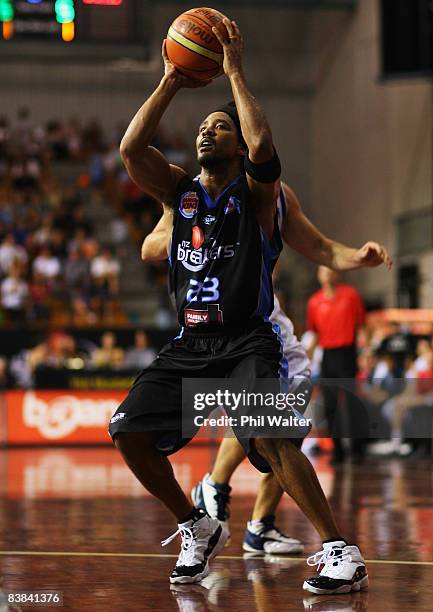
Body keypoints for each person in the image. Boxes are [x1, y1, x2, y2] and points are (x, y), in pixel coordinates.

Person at [109, 19, 389, 593]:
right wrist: (169, 80)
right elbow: (132, 148)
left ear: (238, 146)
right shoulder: (179, 192)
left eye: (221, 128)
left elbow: (264, 149)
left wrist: (234, 70)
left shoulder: (261, 195)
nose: (208, 133)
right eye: (205, 128)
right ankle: (197, 525)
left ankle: (341, 551)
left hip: (247, 338)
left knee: (268, 436)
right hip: (191, 344)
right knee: (126, 431)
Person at [142, 180, 393, 565]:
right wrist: (204, 237)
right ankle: (218, 487)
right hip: (221, 318)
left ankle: (255, 520)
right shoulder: (189, 193)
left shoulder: (276, 192)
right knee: (272, 418)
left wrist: (357, 257)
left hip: (260, 313)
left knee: (284, 415)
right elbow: (150, 247)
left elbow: (321, 246)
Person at [307, 267, 367, 464]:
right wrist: (306, 356)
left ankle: (358, 450)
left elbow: (361, 325)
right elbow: (314, 333)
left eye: (330, 270)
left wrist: (363, 351)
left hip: (348, 353)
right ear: (319, 275)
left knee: (351, 403)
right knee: (329, 406)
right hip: (328, 356)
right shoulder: (314, 302)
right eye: (323, 271)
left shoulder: (350, 295)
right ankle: (338, 450)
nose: (327, 274)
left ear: (336, 273)